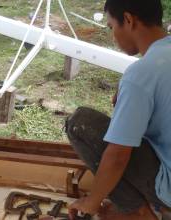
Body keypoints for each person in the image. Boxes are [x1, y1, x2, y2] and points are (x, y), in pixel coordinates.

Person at [65, 0, 171, 219]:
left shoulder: (141, 74)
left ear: (129, 20)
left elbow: (118, 155)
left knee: (80, 123)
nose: (113, 36)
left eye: (112, 26)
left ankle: (139, 213)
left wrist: (92, 201)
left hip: (168, 188)